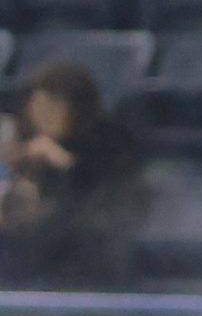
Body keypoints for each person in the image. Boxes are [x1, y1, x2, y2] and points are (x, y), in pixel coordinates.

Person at [0, 58, 148, 289]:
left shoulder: (109, 143)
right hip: (33, 259)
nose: (43, 117)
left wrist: (63, 162)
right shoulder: (25, 147)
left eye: (53, 108)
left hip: (91, 259)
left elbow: (106, 201)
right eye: (38, 108)